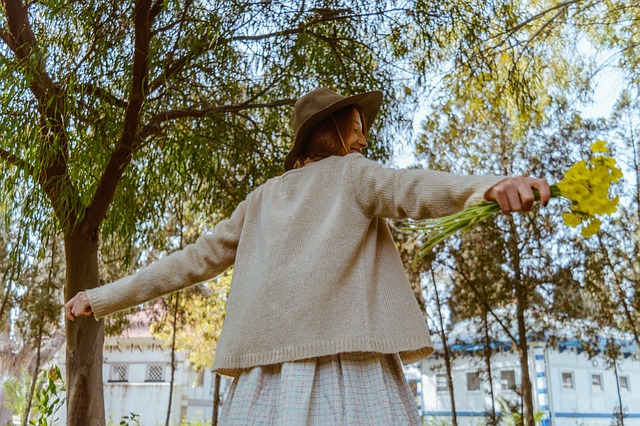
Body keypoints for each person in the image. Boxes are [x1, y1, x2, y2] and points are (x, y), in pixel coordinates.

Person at [66, 87, 550, 424]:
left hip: (266, 383)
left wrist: (103, 296)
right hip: (351, 374)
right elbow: (413, 188)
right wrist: (487, 188)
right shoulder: (354, 174)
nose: (364, 139)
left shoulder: (259, 199)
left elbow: (189, 261)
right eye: (358, 128)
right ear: (336, 132)